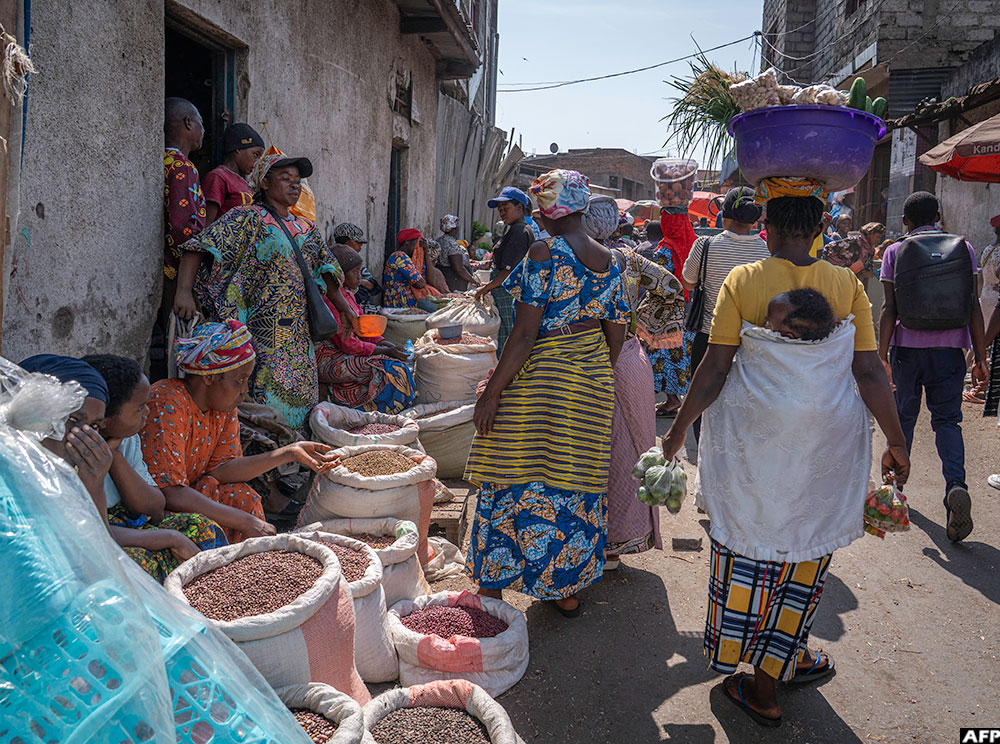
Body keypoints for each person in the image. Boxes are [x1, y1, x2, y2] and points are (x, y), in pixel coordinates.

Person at [661, 192, 910, 727]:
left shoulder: (746, 280)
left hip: (755, 449)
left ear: (767, 227)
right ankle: (784, 662)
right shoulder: (847, 285)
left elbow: (716, 365)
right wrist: (897, 441)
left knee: (747, 552)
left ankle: (756, 683)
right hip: (828, 447)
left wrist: (679, 430)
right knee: (803, 558)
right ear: (820, 229)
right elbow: (869, 371)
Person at [465, 170, 629, 616]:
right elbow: (618, 332)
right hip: (592, 378)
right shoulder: (612, 261)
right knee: (573, 479)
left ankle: (494, 586)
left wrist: (492, 392)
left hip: (542, 376)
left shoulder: (544, 251)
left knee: (511, 468)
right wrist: (594, 377)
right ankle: (564, 588)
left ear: (546, 209)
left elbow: (524, 333)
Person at [181, 153, 353, 430]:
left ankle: (296, 450)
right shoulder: (246, 219)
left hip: (299, 333)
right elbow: (199, 247)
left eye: (298, 181)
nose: (294, 186)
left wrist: (344, 309)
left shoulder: (305, 228)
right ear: (263, 182)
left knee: (302, 393)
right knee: (263, 390)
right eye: (285, 179)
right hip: (261, 331)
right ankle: (267, 452)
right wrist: (184, 292)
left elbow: (327, 270)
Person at [140, 320, 339, 543]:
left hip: (195, 494)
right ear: (209, 377)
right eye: (239, 380)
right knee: (224, 519)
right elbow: (170, 492)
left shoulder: (223, 408)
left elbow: (222, 469)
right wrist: (245, 522)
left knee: (244, 497)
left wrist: (289, 452)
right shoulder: (167, 402)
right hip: (155, 510)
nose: (245, 390)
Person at [878, 191, 988, 542]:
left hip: (907, 350)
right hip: (950, 352)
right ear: (938, 216)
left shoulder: (895, 250)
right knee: (948, 421)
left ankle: (894, 494)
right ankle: (956, 485)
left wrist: (882, 357)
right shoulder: (964, 248)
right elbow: (973, 306)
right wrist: (981, 358)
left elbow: (888, 308)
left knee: (903, 420)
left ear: (905, 221)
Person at [583, 195, 684, 566]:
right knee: (628, 450)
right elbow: (671, 286)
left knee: (601, 453)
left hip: (589, 359)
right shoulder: (627, 257)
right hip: (629, 357)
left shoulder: (575, 257)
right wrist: (643, 326)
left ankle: (594, 543)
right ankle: (619, 543)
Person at [82, 354, 229, 582]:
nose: (147, 414)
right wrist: (170, 538)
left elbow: (154, 508)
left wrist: (115, 456)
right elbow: (93, 532)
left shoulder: (126, 438)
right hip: (94, 533)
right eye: (140, 409)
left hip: (129, 523)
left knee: (202, 528)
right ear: (103, 420)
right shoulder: (75, 451)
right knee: (135, 564)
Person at [681, 187, 768, 440]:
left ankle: (706, 451)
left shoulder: (705, 245)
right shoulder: (765, 250)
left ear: (724, 216)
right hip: (752, 341)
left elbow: (688, 282)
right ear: (754, 219)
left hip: (709, 338)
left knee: (703, 400)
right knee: (745, 405)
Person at [316, 244, 416, 413]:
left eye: (360, 271)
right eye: (354, 272)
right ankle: (375, 411)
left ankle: (391, 410)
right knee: (388, 369)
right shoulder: (331, 301)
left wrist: (388, 344)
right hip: (329, 357)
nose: (359, 276)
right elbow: (348, 344)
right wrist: (383, 351)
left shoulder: (347, 295)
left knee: (396, 363)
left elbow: (365, 330)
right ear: (339, 274)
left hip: (347, 351)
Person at [647, 207, 698, 415]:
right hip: (690, 308)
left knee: (662, 355)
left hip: (667, 311)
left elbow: (657, 280)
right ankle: (680, 399)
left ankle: (672, 400)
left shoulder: (665, 249)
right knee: (683, 354)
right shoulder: (695, 244)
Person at [475, 187, 536, 352]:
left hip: (509, 294)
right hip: (506, 292)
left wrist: (485, 288)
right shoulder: (514, 229)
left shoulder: (519, 231)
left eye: (506, 208)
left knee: (507, 335)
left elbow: (509, 271)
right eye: (500, 209)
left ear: (519, 208)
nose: (502, 212)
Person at [163, 97, 207, 324]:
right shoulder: (182, 166)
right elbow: (184, 229)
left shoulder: (164, 160)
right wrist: (186, 286)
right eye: (200, 123)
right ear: (189, 123)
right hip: (177, 272)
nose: (204, 130)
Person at [202, 123, 265, 225]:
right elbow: (206, 224)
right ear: (238, 148)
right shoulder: (218, 177)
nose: (257, 162)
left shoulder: (243, 182)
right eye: (256, 155)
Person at [822, 221, 886, 290]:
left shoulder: (871, 250)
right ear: (870, 234)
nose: (878, 240)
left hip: (853, 284)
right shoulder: (854, 242)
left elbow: (866, 272)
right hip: (837, 279)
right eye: (877, 237)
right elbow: (828, 248)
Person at [383, 228, 435, 310]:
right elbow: (420, 283)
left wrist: (426, 254)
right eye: (417, 243)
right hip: (398, 303)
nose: (418, 247)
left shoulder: (412, 261)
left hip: (408, 304)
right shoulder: (399, 256)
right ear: (407, 242)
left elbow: (431, 280)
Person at [333, 222, 381, 305]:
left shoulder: (356, 261)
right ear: (347, 242)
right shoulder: (335, 261)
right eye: (357, 241)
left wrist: (358, 281)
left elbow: (373, 286)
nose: (361, 244)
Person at [763, 289, 837, 340]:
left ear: (788, 337)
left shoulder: (766, 352)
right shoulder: (838, 345)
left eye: (768, 322)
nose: (765, 325)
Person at [436, 214, 480, 291]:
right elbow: (458, 268)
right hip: (453, 281)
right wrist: (472, 280)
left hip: (444, 277)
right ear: (455, 228)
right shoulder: (451, 244)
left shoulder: (439, 241)